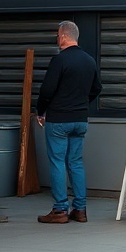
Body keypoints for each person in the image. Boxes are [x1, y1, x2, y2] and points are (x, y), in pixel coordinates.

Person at [36, 20, 102, 224]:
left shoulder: (59, 60)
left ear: (64, 36)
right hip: (80, 119)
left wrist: (40, 111)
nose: (57, 39)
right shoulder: (89, 60)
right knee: (76, 162)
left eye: (57, 35)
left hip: (58, 119)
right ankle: (80, 209)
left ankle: (60, 210)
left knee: (57, 162)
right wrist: (82, 103)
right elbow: (97, 88)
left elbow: (47, 90)